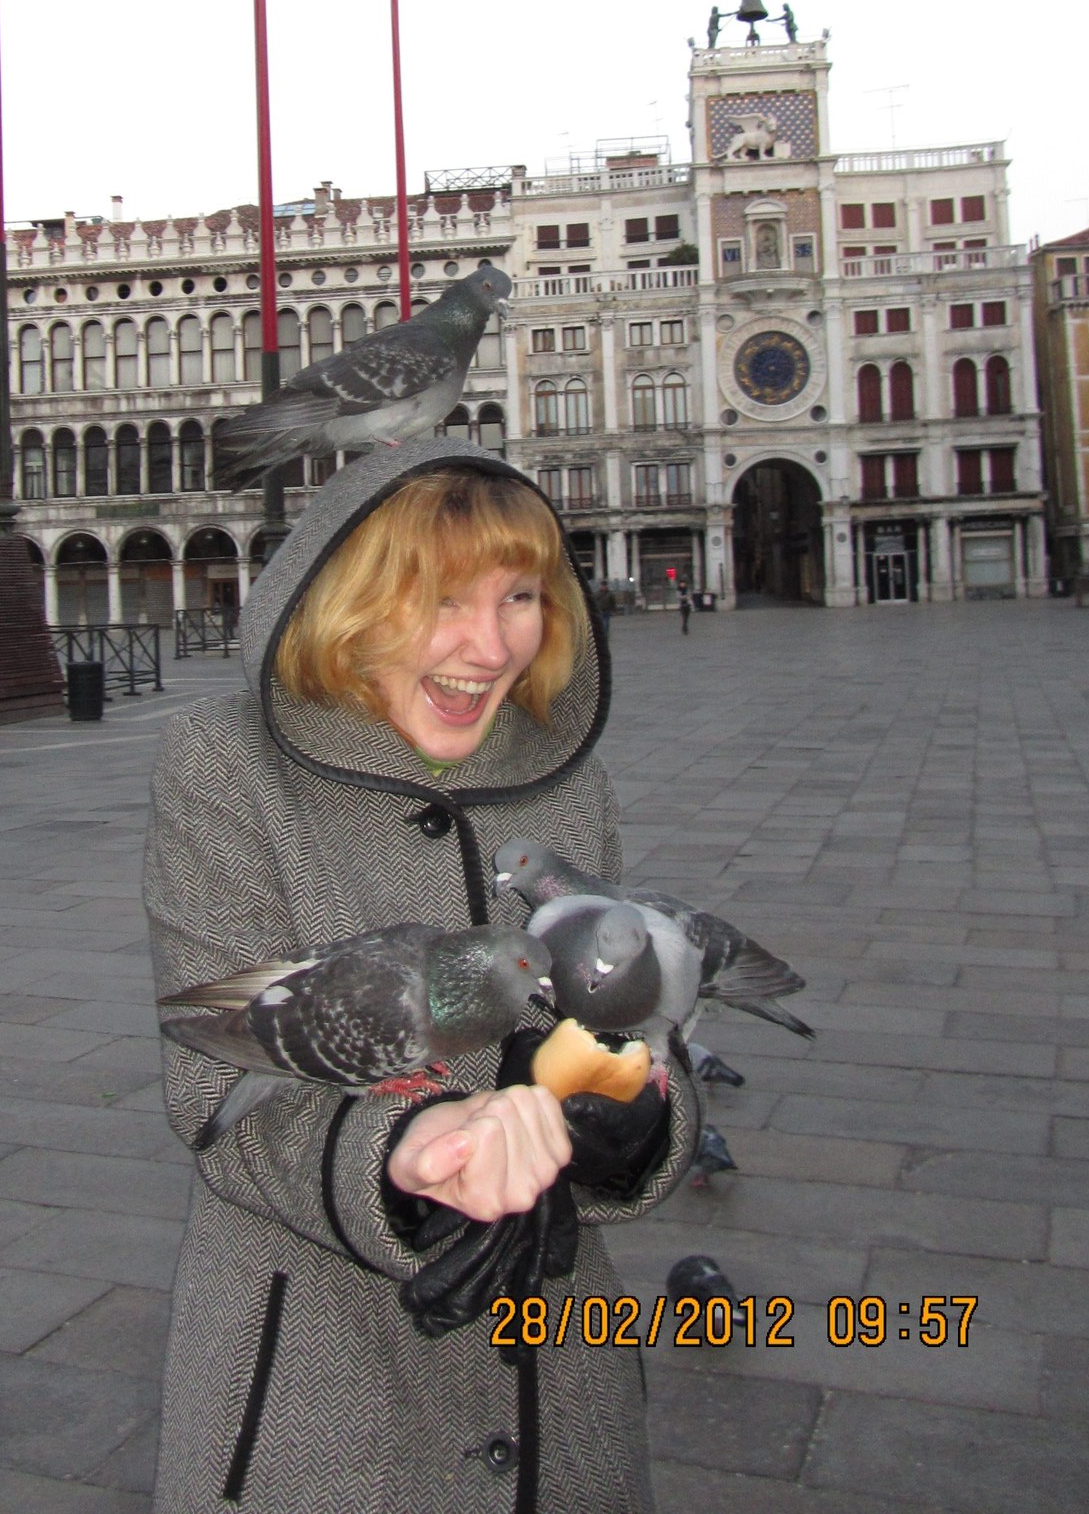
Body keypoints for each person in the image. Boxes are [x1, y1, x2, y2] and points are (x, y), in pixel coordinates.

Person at [144, 438, 696, 1514]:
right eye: (441, 600)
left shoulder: (568, 781)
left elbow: (632, 1024)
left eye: (520, 596)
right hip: (320, 1384)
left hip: (559, 1382)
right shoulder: (226, 767)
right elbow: (214, 1090)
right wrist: (401, 1151)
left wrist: (631, 1118)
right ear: (353, 602)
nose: (490, 646)